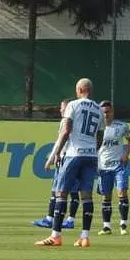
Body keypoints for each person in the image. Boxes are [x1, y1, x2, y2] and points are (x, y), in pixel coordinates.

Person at [36, 78, 104, 248]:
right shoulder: (99, 109)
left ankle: (55, 236)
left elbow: (66, 131)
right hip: (91, 156)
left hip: (74, 153)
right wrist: (93, 150)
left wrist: (57, 153)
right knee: (87, 196)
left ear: (80, 89)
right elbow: (100, 136)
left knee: (61, 193)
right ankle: (84, 237)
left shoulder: (73, 105)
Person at [31, 99, 78, 230]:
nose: (60, 110)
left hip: (65, 159)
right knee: (72, 192)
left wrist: (51, 158)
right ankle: (68, 220)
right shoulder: (74, 120)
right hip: (72, 157)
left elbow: (59, 142)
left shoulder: (66, 121)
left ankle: (51, 219)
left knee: (57, 191)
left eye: (62, 107)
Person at [96, 100, 130, 236]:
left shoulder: (122, 126)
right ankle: (106, 227)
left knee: (122, 192)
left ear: (112, 112)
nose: (106, 115)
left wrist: (126, 154)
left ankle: (123, 224)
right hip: (103, 167)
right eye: (103, 112)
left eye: (108, 112)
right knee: (106, 197)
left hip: (119, 166)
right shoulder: (95, 127)